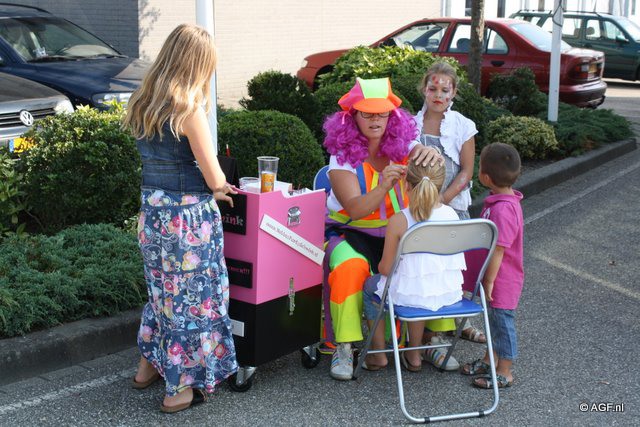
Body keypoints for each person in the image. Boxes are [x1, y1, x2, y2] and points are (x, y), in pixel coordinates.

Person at [122, 24, 238, 413]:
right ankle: (180, 390)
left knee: (162, 294)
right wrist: (222, 187)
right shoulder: (189, 110)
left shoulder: (142, 101)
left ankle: (147, 369)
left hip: (153, 214)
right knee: (192, 302)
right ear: (198, 66)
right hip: (189, 221)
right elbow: (214, 177)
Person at [322, 77, 442, 380]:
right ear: (352, 116)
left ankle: (432, 338)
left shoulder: (404, 146)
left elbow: (425, 159)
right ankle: (344, 346)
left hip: (395, 233)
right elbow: (356, 209)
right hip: (349, 232)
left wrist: (431, 154)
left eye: (382, 113)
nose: (375, 119)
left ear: (392, 116)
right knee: (350, 268)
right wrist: (384, 185)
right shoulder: (341, 156)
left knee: (429, 259)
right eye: (367, 113)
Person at [362, 160, 466, 372]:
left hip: (411, 296)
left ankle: (378, 354)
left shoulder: (400, 220)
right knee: (418, 287)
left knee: (371, 287)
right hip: (447, 293)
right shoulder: (451, 215)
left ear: (406, 186)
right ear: (440, 184)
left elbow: (386, 269)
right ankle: (414, 354)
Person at [414, 61, 487, 358]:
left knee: (458, 266)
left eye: (445, 90)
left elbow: (466, 171)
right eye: (433, 88)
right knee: (427, 266)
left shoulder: (462, 125)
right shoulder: (411, 124)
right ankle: (427, 324)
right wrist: (424, 203)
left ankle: (461, 320)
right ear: (424, 89)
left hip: (450, 205)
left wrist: (442, 201)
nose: (438, 95)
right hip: (418, 207)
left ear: (454, 92)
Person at [461, 142, 524, 389]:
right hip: (495, 277)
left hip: (501, 279)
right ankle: (489, 360)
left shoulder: (504, 210)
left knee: (502, 324)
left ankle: (505, 370)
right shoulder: (498, 202)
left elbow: (499, 249)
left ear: (486, 177)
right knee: (493, 322)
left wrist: (489, 280)